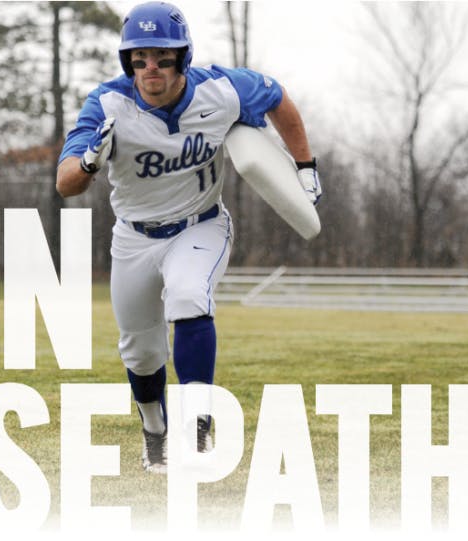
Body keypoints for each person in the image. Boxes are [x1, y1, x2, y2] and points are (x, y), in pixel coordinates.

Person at [56, 1, 321, 474]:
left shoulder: (221, 90)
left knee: (187, 295)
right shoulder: (107, 103)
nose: (150, 68)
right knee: (140, 351)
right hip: (134, 237)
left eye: (161, 57)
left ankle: (198, 430)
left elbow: (278, 97)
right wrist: (90, 162)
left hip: (199, 224)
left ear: (183, 57)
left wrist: (305, 165)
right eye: (139, 58)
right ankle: (155, 432)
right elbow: (65, 182)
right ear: (127, 61)